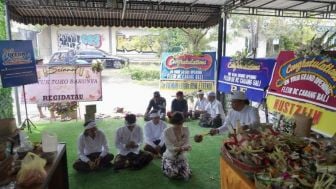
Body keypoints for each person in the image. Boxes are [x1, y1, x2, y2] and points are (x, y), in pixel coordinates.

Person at [162, 112, 192, 180]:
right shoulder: (167, 131)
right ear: (172, 122)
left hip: (181, 157)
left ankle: (182, 168)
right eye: (176, 123)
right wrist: (179, 148)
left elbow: (187, 142)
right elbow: (169, 147)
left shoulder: (186, 129)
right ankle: (166, 167)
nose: (179, 126)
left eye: (180, 123)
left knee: (186, 175)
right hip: (170, 156)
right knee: (173, 174)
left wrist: (187, 147)